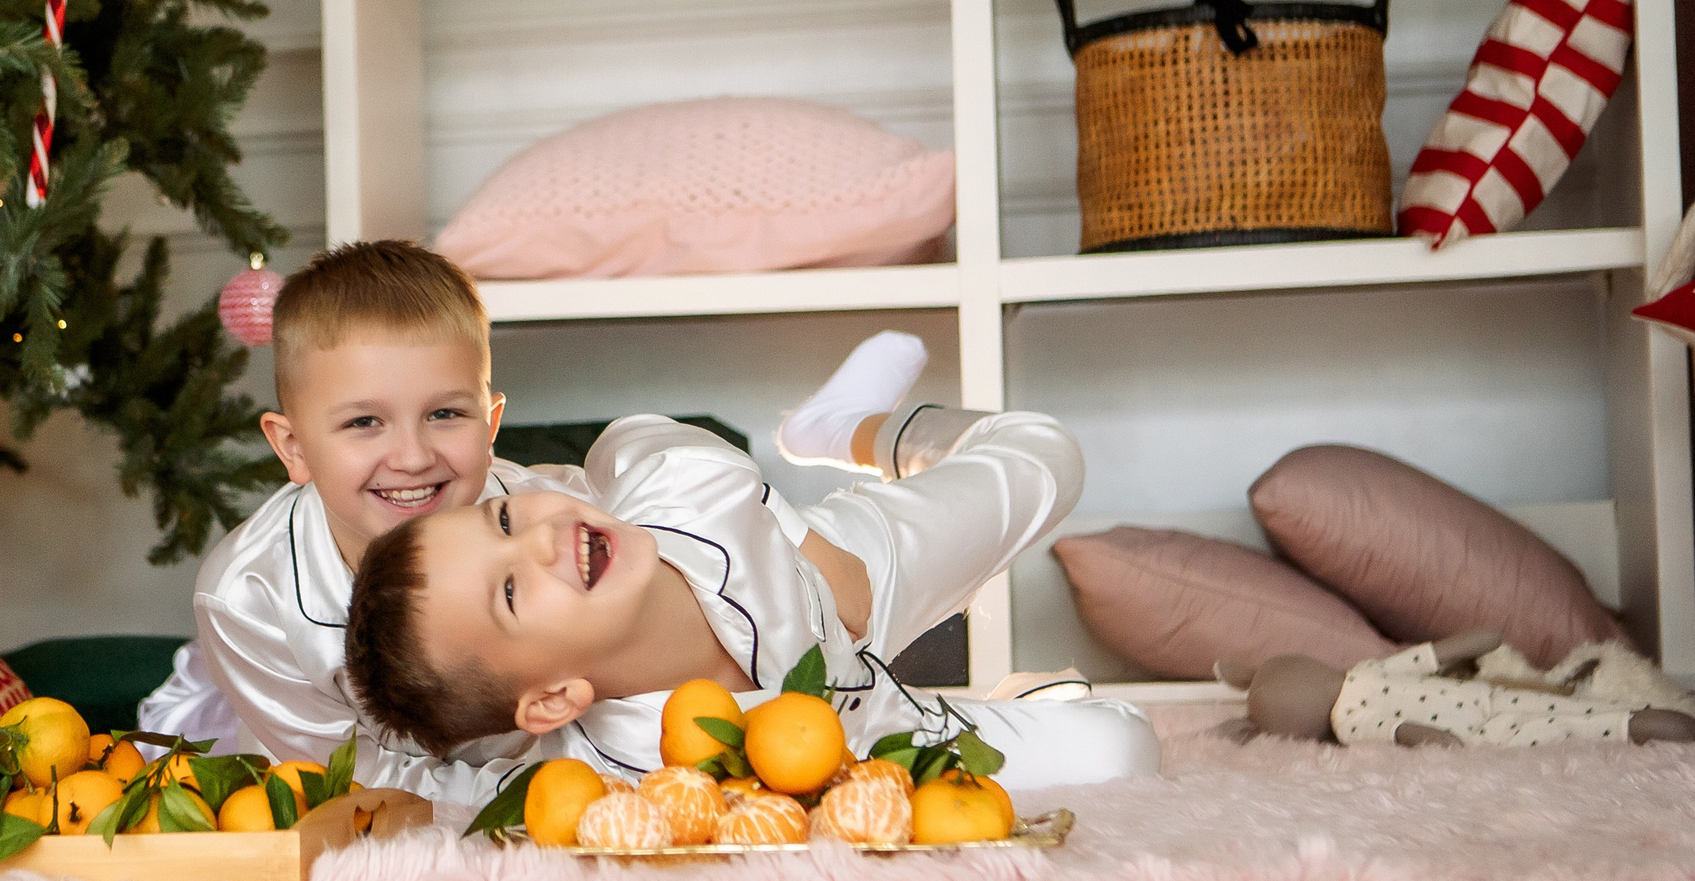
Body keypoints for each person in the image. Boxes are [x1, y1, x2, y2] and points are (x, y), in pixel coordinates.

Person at [343, 337, 1161, 795]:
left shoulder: (678, 493)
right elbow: (433, 794)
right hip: (879, 727)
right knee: (1123, 751)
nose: (542, 539)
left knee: (1048, 452)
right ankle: (1016, 699)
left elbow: (636, 437)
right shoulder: (629, 771)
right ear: (555, 696)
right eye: (513, 591)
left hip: (843, 572)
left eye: (508, 518)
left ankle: (843, 425)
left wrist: (804, 540)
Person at [135, 241, 592, 805]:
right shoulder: (248, 597)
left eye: (445, 414)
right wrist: (514, 801)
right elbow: (348, 780)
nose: (412, 457)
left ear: (491, 423)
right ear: (294, 447)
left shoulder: (566, 526)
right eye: (364, 422)